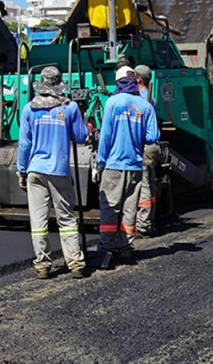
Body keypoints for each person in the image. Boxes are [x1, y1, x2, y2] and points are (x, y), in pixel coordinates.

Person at [17, 66, 89, 280]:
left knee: (38, 220)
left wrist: (21, 170)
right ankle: (75, 263)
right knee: (66, 218)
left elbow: (24, 144)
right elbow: (79, 137)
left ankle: (42, 265)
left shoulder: (29, 108)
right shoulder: (70, 108)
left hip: (35, 170)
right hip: (59, 170)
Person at [94, 65, 159, 268]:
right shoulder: (146, 106)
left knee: (110, 207)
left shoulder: (113, 102)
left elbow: (105, 136)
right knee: (130, 207)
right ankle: (124, 247)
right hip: (135, 165)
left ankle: (105, 249)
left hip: (114, 164)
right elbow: (152, 137)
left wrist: (99, 163)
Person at [134, 64, 160, 237]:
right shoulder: (151, 99)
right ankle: (150, 220)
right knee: (150, 184)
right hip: (151, 147)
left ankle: (143, 225)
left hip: (141, 146)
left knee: (143, 185)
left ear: (138, 79)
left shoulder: (137, 99)